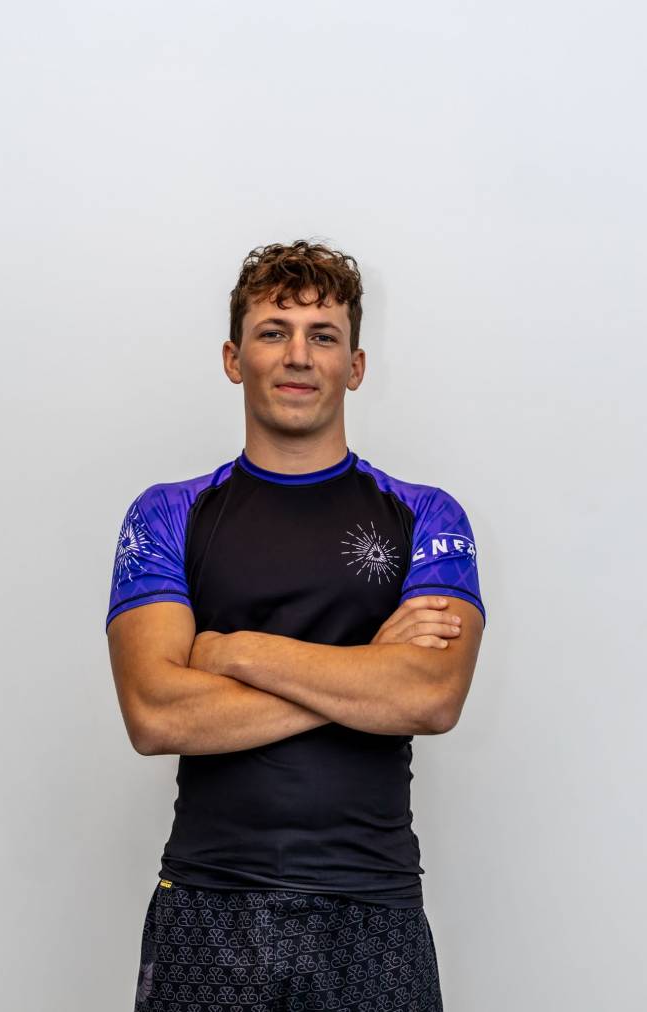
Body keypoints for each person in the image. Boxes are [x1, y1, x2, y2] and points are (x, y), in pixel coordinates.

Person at [105, 239, 486, 1011]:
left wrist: (230, 651)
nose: (299, 356)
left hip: (373, 911)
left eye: (323, 335)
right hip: (207, 904)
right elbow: (154, 713)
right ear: (233, 358)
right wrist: (365, 671)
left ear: (356, 365)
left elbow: (430, 697)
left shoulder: (427, 515)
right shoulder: (168, 514)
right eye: (273, 331)